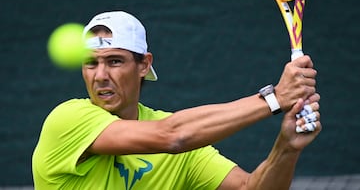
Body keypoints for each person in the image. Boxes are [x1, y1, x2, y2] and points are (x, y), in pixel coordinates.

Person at [32, 11, 321, 190]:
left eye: (115, 61)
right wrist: (274, 99)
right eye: (90, 64)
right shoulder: (67, 120)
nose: (100, 76)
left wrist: (286, 148)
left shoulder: (183, 145)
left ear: (144, 65)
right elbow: (172, 135)